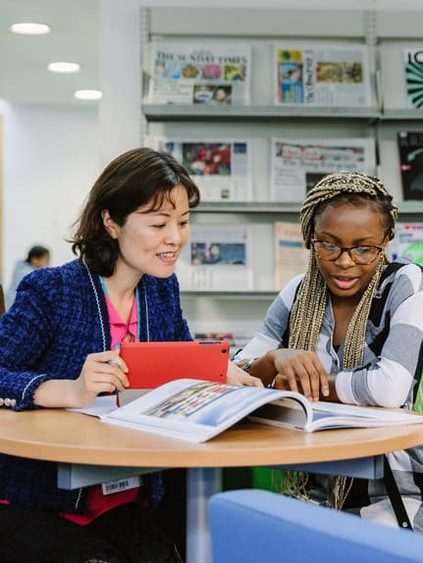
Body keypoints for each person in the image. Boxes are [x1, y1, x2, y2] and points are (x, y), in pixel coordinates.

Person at [0, 147, 256, 563]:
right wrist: (68, 390)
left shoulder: (160, 289)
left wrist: (222, 370)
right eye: (158, 223)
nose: (175, 237)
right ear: (110, 222)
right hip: (40, 500)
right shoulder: (51, 290)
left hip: (125, 499)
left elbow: (181, 357)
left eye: (183, 222)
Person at [236, 171, 423, 529]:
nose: (345, 261)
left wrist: (298, 386)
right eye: (329, 244)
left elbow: (388, 388)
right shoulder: (296, 293)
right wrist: (275, 359)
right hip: (309, 481)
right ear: (311, 239)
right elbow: (234, 377)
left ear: (386, 240)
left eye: (364, 248)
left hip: (390, 487)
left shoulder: (406, 283)